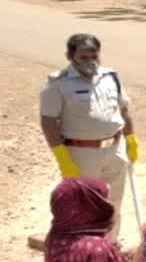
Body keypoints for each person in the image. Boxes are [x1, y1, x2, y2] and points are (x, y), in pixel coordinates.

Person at [39, 33, 140, 243]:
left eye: (94, 56)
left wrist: (131, 140)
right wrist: (62, 158)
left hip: (115, 149)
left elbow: (124, 110)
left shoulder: (110, 77)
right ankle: (82, 250)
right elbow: (48, 122)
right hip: (81, 154)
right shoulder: (57, 84)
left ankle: (109, 246)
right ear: (70, 55)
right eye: (84, 57)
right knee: (84, 205)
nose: (90, 61)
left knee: (114, 202)